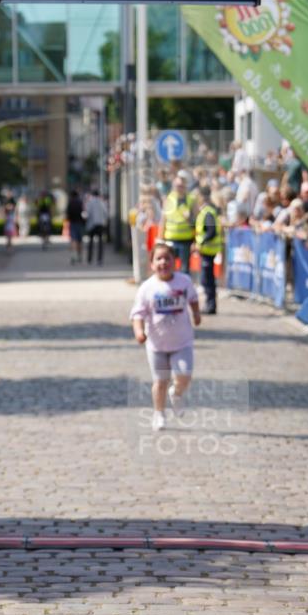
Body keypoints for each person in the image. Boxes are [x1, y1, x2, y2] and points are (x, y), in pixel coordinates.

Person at [130, 240, 201, 431]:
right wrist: (139, 332)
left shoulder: (184, 281)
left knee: (184, 374)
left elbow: (193, 299)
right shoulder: (147, 288)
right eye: (158, 259)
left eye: (167, 258)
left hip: (182, 341)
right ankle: (159, 413)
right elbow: (138, 314)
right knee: (160, 381)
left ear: (175, 261)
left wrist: (196, 314)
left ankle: (177, 394)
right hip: (156, 344)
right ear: (152, 264)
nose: (163, 262)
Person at [194, 185, 223, 315]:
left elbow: (211, 232)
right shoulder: (206, 211)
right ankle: (209, 304)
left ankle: (210, 305)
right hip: (206, 251)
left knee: (208, 280)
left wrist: (199, 242)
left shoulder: (208, 212)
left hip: (209, 251)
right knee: (207, 279)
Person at [160, 175, 196, 274]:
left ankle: (184, 289)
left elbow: (196, 222)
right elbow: (163, 220)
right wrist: (160, 238)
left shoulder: (191, 200)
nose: (179, 188)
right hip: (170, 239)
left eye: (181, 185)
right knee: (170, 266)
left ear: (185, 186)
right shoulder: (168, 199)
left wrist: (195, 241)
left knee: (185, 268)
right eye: (177, 185)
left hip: (186, 239)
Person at [85, 188, 108, 265]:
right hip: (101, 224)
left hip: (92, 224)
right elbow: (106, 213)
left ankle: (89, 259)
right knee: (100, 242)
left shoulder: (90, 202)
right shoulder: (102, 202)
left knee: (90, 242)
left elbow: (87, 213)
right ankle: (100, 259)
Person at [66, 189, 84, 264]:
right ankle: (79, 256)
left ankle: (73, 256)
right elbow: (83, 212)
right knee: (79, 240)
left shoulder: (70, 203)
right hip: (79, 223)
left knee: (73, 240)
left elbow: (67, 213)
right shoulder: (80, 202)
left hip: (72, 223)